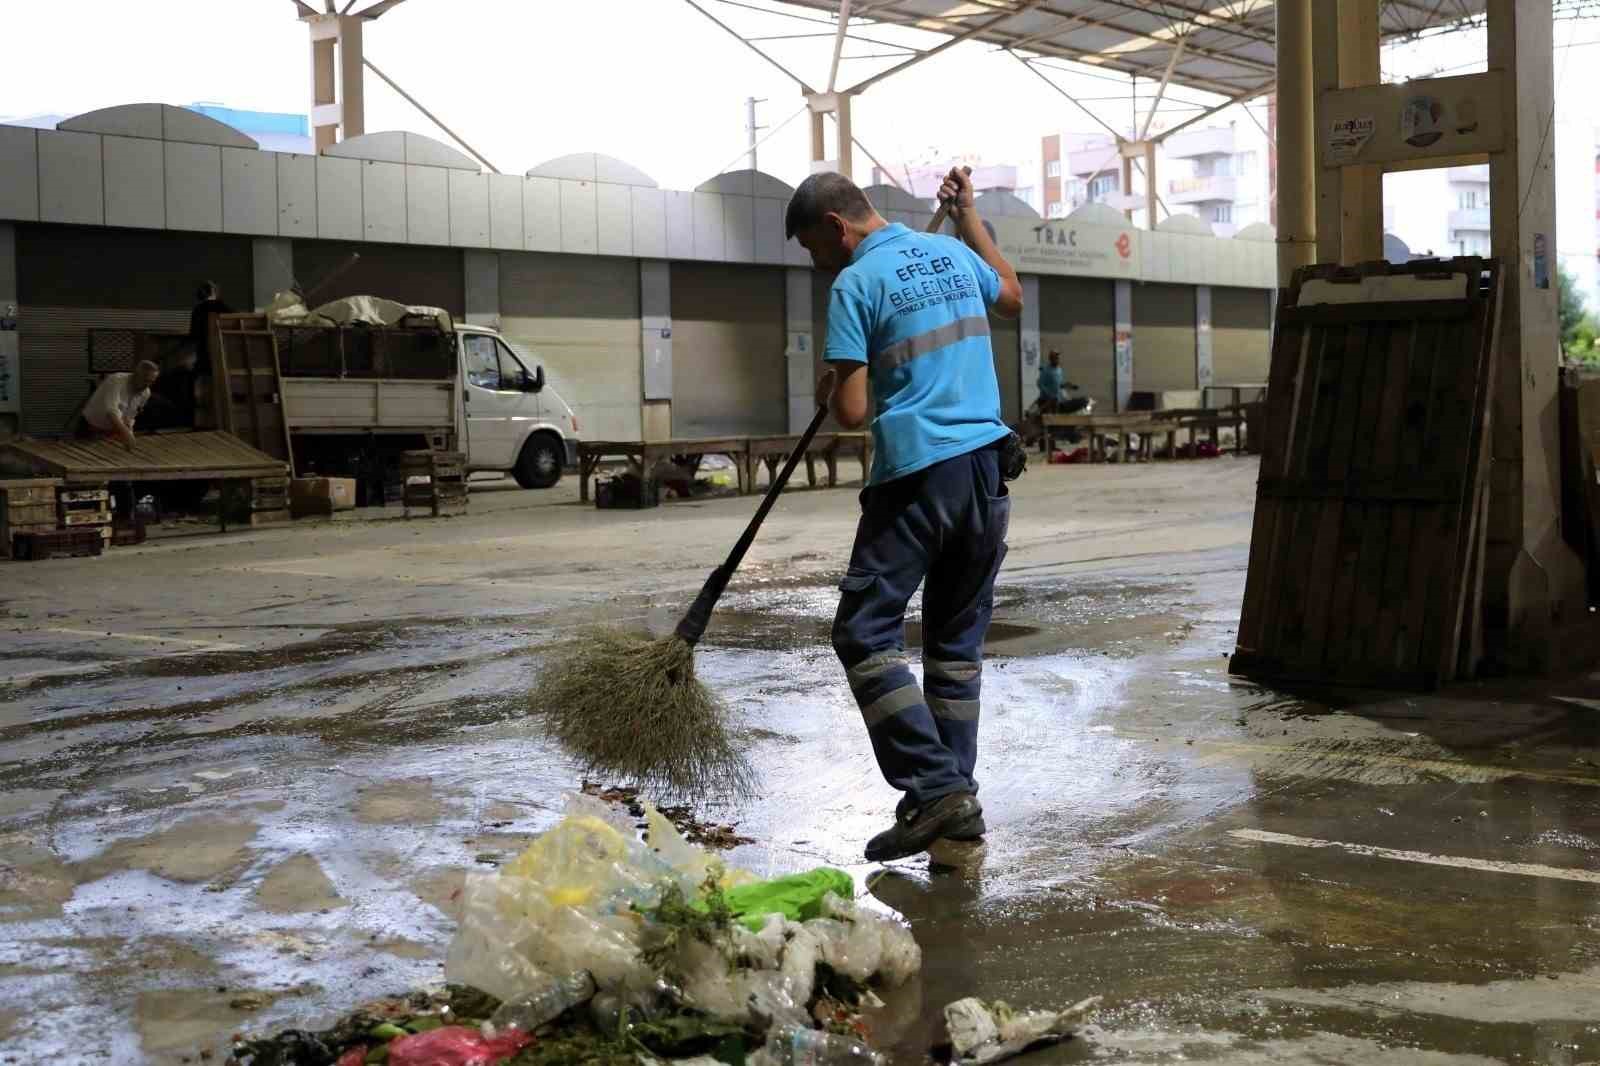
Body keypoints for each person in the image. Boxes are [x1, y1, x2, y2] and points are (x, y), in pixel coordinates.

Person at [787, 167, 1023, 862]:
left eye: (811, 247)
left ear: (836, 226)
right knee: (953, 651)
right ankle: (953, 801)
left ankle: (933, 784)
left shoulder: (854, 284)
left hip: (917, 476)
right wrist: (970, 218)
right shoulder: (955, 254)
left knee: (863, 633)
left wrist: (833, 386)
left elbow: (856, 411)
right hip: (986, 470)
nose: (815, 261)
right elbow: (1009, 295)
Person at [81, 360, 159, 450]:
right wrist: (126, 434)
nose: (147, 385)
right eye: (145, 380)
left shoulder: (146, 393)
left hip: (111, 432)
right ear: (135, 375)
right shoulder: (116, 380)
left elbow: (130, 417)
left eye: (151, 382)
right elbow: (111, 412)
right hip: (90, 428)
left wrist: (130, 432)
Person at [189, 280, 231, 378]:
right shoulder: (226, 309)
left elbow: (193, 336)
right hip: (225, 359)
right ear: (214, 292)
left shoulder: (197, 310)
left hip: (204, 359)